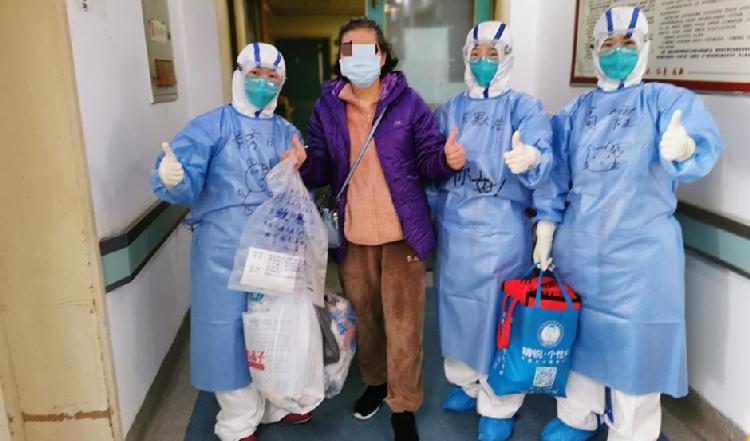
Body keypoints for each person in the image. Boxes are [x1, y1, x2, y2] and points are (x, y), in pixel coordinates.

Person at [532, 7, 724, 441]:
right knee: (577, 339)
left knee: (634, 350)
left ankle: (633, 431)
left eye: (628, 43)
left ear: (644, 47)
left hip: (641, 258)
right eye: (608, 43)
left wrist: (686, 147)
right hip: (579, 250)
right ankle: (576, 416)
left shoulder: (665, 102)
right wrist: (546, 227)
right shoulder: (574, 112)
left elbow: (702, 144)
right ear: (594, 49)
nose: (617, 52)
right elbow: (554, 175)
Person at [290, 16, 463, 441]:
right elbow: (321, 168)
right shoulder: (328, 107)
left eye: (366, 49)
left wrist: (447, 160)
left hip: (402, 235)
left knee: (404, 327)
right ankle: (375, 382)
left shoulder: (409, 103)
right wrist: (304, 164)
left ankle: (403, 404)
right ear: (339, 56)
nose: (356, 58)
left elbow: (428, 161)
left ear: (382, 56)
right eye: (347, 49)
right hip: (354, 236)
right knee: (366, 321)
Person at [151, 42, 312, 441]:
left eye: (272, 77)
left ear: (281, 83)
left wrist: (298, 168)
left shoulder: (287, 132)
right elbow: (183, 182)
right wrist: (173, 178)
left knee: (273, 326)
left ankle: (277, 401)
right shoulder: (210, 127)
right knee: (225, 330)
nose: (263, 83)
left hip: (272, 248)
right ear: (240, 75)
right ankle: (239, 418)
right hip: (221, 250)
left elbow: (295, 190)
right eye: (255, 74)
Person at [431, 21, 553, 441]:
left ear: (507, 58)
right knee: (457, 311)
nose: (483, 61)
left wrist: (533, 157)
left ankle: (499, 403)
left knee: (501, 317)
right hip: (455, 232)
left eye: (492, 53)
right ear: (466, 57)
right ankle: (467, 381)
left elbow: (545, 158)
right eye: (476, 53)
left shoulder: (524, 108)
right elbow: (428, 170)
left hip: (502, 233)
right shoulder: (449, 110)